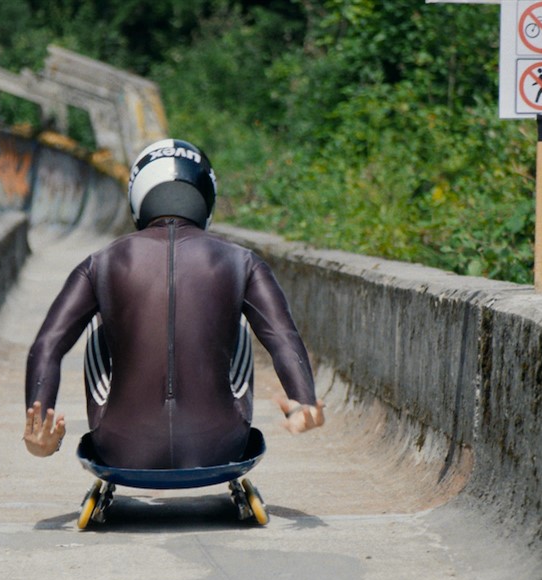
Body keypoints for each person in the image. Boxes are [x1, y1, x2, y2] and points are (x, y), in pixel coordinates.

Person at [22, 138, 325, 468]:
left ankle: (42, 433)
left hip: (120, 447)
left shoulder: (100, 262)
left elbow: (48, 345)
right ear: (207, 198)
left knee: (100, 325)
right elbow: (282, 337)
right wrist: (303, 402)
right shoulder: (243, 261)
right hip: (220, 445)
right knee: (237, 321)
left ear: (138, 198)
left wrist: (38, 423)